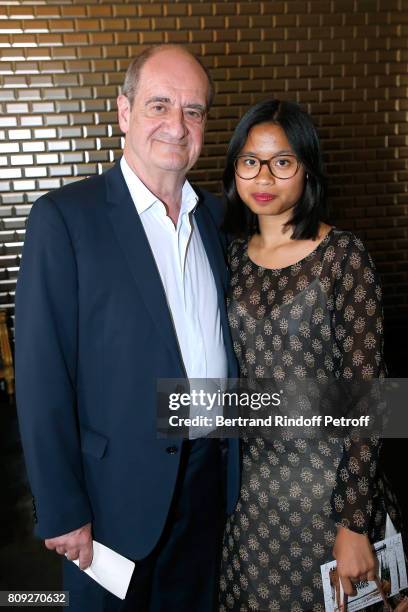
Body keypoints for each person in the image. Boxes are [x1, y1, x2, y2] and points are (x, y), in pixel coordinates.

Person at [15, 44, 239, 612]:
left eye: (193, 110)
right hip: (111, 501)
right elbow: (42, 379)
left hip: (207, 486)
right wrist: (62, 508)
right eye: (159, 105)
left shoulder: (216, 220)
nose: (176, 125)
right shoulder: (65, 219)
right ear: (122, 111)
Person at [218, 99, 397, 611]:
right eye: (250, 160)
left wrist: (353, 523)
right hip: (250, 503)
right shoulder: (229, 256)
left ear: (307, 169)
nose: (264, 176)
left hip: (331, 492)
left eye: (282, 161)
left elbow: (374, 396)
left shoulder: (343, 256)